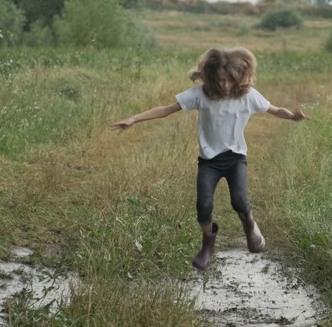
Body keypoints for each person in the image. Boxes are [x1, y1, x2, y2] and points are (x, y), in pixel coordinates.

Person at [111, 47, 308, 271]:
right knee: (203, 206)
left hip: (235, 159)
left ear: (240, 78)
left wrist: (292, 116)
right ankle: (207, 246)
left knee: (239, 201)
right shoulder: (200, 94)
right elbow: (166, 110)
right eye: (220, 80)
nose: (224, 86)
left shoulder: (248, 96)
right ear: (211, 77)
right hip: (209, 161)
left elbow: (274, 109)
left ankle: (250, 224)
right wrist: (134, 119)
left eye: (230, 81)